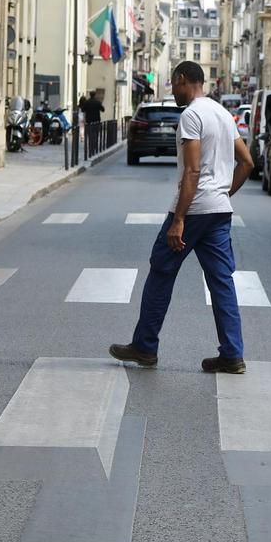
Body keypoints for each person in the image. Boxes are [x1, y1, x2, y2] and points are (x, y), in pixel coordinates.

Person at [109, 61, 254, 374]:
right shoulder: (221, 113)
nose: (172, 90)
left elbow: (192, 170)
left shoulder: (191, 116)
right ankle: (232, 353)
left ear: (182, 79)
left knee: (161, 271)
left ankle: (145, 346)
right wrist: (225, 194)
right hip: (218, 211)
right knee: (222, 283)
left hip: (194, 210)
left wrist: (178, 220)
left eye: (173, 84)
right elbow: (247, 162)